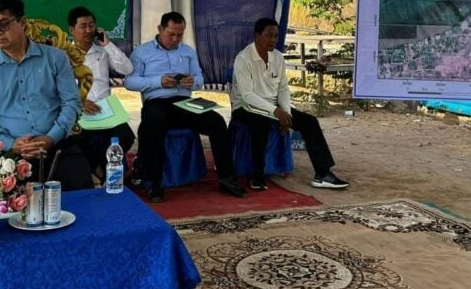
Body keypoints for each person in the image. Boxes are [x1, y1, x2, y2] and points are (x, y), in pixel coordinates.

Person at [0, 0, 92, 190]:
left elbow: (71, 103)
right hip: (10, 153)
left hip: (57, 144)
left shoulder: (55, 58)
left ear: (23, 22)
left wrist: (51, 138)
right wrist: (12, 144)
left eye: (4, 24)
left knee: (80, 189)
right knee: (7, 206)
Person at [125, 11, 246, 202]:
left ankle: (227, 178)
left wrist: (192, 82)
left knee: (217, 121)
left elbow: (199, 79)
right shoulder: (142, 52)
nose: (175, 39)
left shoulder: (188, 51)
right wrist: (159, 81)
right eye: (171, 34)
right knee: (152, 124)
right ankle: (154, 183)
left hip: (184, 101)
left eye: (179, 35)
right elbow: (130, 82)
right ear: (160, 29)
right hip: (157, 102)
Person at [231, 18, 350, 190]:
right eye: (269, 36)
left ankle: (323, 174)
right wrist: (276, 112)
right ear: (257, 35)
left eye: (276, 36)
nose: (273, 40)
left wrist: (285, 112)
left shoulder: (278, 57)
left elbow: (283, 89)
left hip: (274, 107)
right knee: (261, 123)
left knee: (310, 122)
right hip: (245, 107)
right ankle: (257, 175)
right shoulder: (243, 58)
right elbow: (247, 96)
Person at [67, 6, 135, 176]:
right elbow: (56, 88)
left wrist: (107, 43)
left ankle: (101, 169)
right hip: (80, 110)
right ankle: (100, 171)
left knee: (126, 135)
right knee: (79, 138)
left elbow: (127, 69)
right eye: (83, 26)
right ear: (72, 30)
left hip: (105, 110)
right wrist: (80, 101)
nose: (89, 30)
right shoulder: (63, 55)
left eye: (92, 25)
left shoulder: (103, 52)